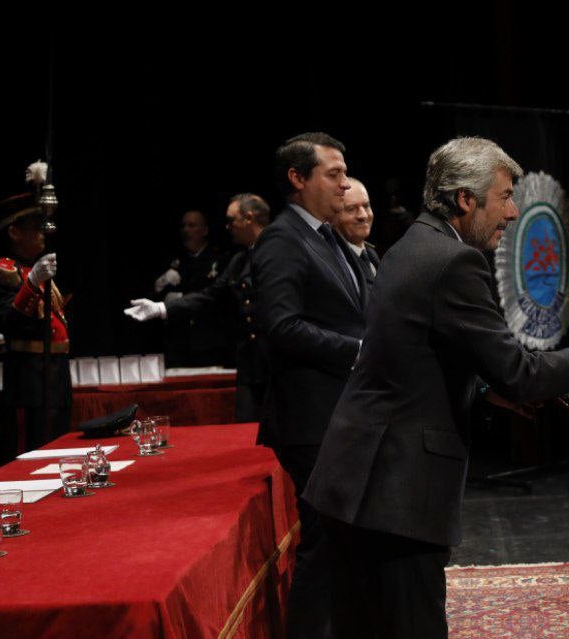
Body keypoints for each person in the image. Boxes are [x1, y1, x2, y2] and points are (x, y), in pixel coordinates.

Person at [307, 136, 569, 639]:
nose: (511, 212)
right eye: (505, 196)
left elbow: (412, 359)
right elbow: (518, 372)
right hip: (394, 493)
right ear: (466, 199)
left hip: (357, 480)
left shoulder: (410, 244)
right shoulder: (455, 263)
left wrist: (482, 392)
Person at [251, 132, 370, 639]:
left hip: (337, 413)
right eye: (333, 175)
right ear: (297, 180)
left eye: (345, 174)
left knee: (342, 540)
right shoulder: (283, 238)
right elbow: (281, 327)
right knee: (323, 543)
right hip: (310, 420)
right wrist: (360, 351)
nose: (344, 186)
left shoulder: (323, 236)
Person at [124, 194, 271, 421]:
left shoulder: (279, 250)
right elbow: (210, 295)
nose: (228, 227)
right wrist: (161, 308)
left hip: (274, 359)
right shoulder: (239, 261)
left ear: (249, 218)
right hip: (249, 363)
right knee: (246, 429)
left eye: (232, 220)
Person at [0, 192, 71, 456]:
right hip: (29, 376)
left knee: (58, 445)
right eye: (35, 229)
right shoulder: (5, 271)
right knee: (35, 448)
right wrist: (32, 283)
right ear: (15, 232)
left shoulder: (36, 269)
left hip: (56, 371)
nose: (42, 234)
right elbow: (9, 321)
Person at [154, 209, 232, 368]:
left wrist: (181, 297)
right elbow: (155, 295)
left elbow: (217, 295)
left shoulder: (219, 259)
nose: (186, 231)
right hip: (178, 342)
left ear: (204, 230)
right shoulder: (175, 260)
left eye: (192, 226)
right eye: (183, 226)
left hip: (208, 341)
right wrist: (161, 283)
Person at [333, 178, 380, 282]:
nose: (363, 215)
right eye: (351, 209)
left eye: (366, 206)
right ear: (333, 216)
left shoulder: (371, 255)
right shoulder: (334, 263)